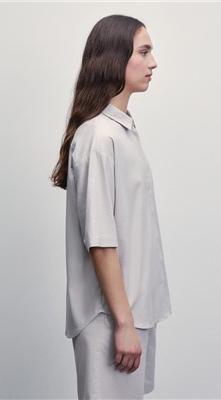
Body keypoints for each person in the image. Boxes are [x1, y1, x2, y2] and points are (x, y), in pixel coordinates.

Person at [50, 14, 172, 399]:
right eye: (144, 52)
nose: (153, 63)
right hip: (111, 319)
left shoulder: (121, 130)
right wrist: (123, 324)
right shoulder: (99, 137)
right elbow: (101, 241)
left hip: (131, 314)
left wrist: (131, 321)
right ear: (116, 58)